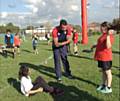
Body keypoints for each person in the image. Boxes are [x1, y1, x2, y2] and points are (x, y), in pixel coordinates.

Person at [91, 22, 114, 94]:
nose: (100, 28)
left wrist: (108, 36)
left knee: (108, 72)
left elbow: (108, 46)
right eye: (100, 27)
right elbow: (100, 43)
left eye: (102, 27)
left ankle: (109, 88)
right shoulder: (103, 35)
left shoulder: (109, 36)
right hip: (101, 57)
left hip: (106, 57)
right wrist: (94, 46)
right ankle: (104, 85)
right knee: (103, 72)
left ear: (106, 28)